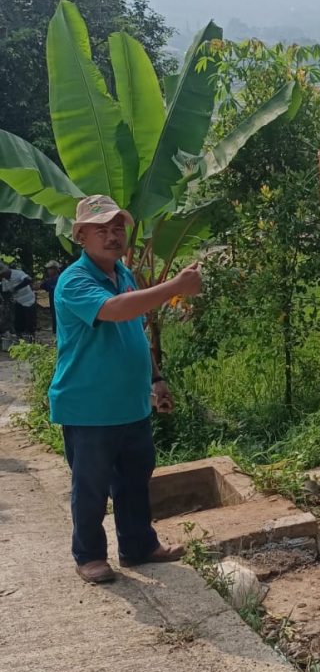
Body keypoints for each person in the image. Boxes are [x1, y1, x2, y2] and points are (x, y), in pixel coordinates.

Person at [49, 194, 203, 585]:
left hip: (131, 404)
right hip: (90, 407)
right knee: (91, 486)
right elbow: (116, 310)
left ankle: (138, 546)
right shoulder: (75, 280)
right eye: (102, 229)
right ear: (81, 235)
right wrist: (176, 286)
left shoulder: (124, 274)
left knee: (135, 480)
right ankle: (89, 556)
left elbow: (133, 326)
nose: (113, 236)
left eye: (118, 228)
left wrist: (156, 379)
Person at [0, 262, 37, 340]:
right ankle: (20, 338)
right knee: (18, 322)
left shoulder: (18, 273)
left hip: (28, 300)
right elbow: (5, 292)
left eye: (3, 275)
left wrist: (15, 288)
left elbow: (29, 280)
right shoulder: (4, 280)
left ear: (6, 272)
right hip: (18, 301)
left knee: (29, 321)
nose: (3, 277)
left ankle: (31, 338)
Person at [39, 260, 61, 335]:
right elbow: (40, 286)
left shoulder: (60, 279)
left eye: (50, 269)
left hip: (60, 302)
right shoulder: (48, 281)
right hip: (53, 303)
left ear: (55, 269)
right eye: (48, 269)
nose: (49, 271)